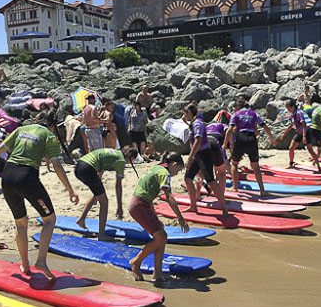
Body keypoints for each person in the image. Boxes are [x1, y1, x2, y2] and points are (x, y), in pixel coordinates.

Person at [0, 111, 79, 279]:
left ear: (36, 120)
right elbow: (57, 166)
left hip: (7, 176)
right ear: (52, 125)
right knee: (49, 219)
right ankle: (40, 261)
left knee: (21, 222)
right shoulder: (49, 136)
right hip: (26, 177)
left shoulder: (21, 130)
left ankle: (25, 266)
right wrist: (70, 189)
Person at [128, 152, 189, 282]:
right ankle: (136, 262)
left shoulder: (157, 168)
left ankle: (158, 273)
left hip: (141, 205)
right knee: (161, 237)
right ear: (174, 164)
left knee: (162, 236)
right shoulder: (164, 173)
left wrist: (155, 217)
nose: (177, 173)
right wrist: (180, 218)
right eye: (178, 170)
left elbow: (148, 194)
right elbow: (169, 197)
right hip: (139, 206)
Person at [74, 147, 138, 238]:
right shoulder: (120, 161)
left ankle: (81, 219)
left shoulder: (114, 154)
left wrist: (97, 193)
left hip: (79, 166)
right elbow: (118, 186)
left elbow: (99, 173)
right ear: (131, 158)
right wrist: (120, 208)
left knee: (97, 193)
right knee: (104, 202)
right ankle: (101, 235)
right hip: (87, 169)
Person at [182, 104, 228, 215]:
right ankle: (193, 206)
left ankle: (224, 209)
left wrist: (190, 157)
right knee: (188, 178)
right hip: (198, 155)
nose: (184, 115)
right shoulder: (194, 122)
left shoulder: (197, 123)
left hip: (203, 154)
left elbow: (198, 140)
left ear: (191, 113)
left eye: (185, 113)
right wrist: (185, 121)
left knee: (211, 181)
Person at [225, 99, 277, 197]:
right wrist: (271, 138)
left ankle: (235, 187)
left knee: (234, 163)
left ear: (238, 106)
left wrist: (225, 144)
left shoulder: (235, 114)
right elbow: (264, 126)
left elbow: (229, 130)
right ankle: (262, 191)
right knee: (256, 166)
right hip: (252, 139)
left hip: (241, 138)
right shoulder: (254, 114)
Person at [280, 99, 321, 172]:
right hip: (299, 133)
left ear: (292, 106)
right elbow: (291, 125)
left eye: (288, 108)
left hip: (306, 133)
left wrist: (304, 136)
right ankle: (291, 164)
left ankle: (319, 167)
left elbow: (304, 124)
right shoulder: (293, 113)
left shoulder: (299, 113)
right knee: (291, 148)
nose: (287, 110)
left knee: (310, 150)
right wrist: (284, 134)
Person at [205, 113, 230, 195]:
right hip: (215, 143)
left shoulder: (207, 126)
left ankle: (197, 195)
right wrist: (232, 145)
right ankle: (221, 195)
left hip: (204, 144)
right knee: (222, 170)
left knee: (206, 169)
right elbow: (230, 132)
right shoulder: (223, 126)